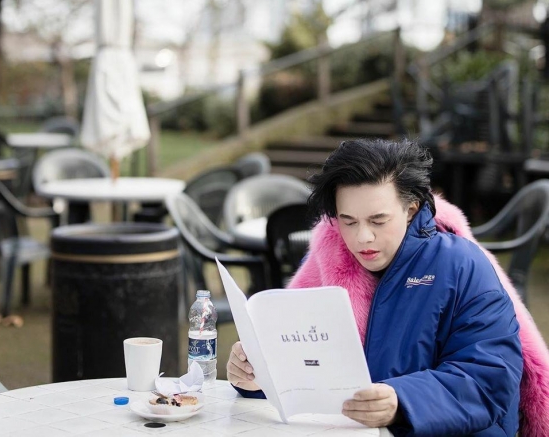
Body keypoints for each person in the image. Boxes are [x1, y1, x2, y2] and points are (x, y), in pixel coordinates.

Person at [227, 139, 549, 436]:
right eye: (348, 221)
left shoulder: (463, 266)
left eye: (378, 220)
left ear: (410, 210)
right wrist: (255, 374)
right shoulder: (329, 257)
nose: (362, 237)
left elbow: (489, 380)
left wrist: (402, 401)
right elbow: (299, 360)